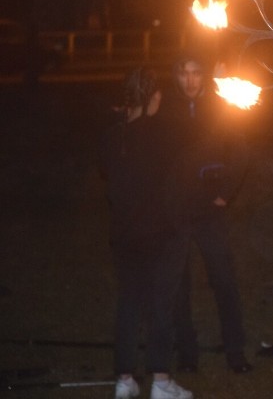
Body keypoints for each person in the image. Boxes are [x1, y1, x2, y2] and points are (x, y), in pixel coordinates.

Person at [99, 67, 193, 399]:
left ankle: (124, 379)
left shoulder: (114, 136)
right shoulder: (166, 133)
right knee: (160, 306)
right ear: (154, 97)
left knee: (128, 303)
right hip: (160, 234)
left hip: (125, 235)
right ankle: (161, 380)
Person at [159, 51, 252, 374]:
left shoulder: (220, 106)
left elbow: (241, 150)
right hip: (177, 210)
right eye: (183, 73)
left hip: (210, 209)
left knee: (224, 280)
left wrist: (225, 194)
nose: (190, 80)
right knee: (177, 284)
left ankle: (235, 351)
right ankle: (187, 353)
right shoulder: (166, 110)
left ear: (205, 75)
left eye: (196, 73)